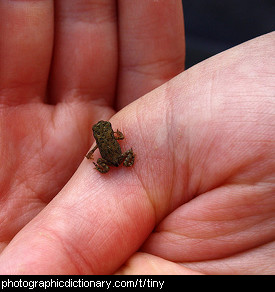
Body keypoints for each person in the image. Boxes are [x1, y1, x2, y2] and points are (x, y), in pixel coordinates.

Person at [0, 1, 274, 275]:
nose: (104, 131)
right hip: (116, 157)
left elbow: (93, 154)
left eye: (102, 130)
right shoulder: (108, 139)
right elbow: (111, 140)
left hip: (112, 159)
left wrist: (98, 162)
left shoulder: (100, 143)